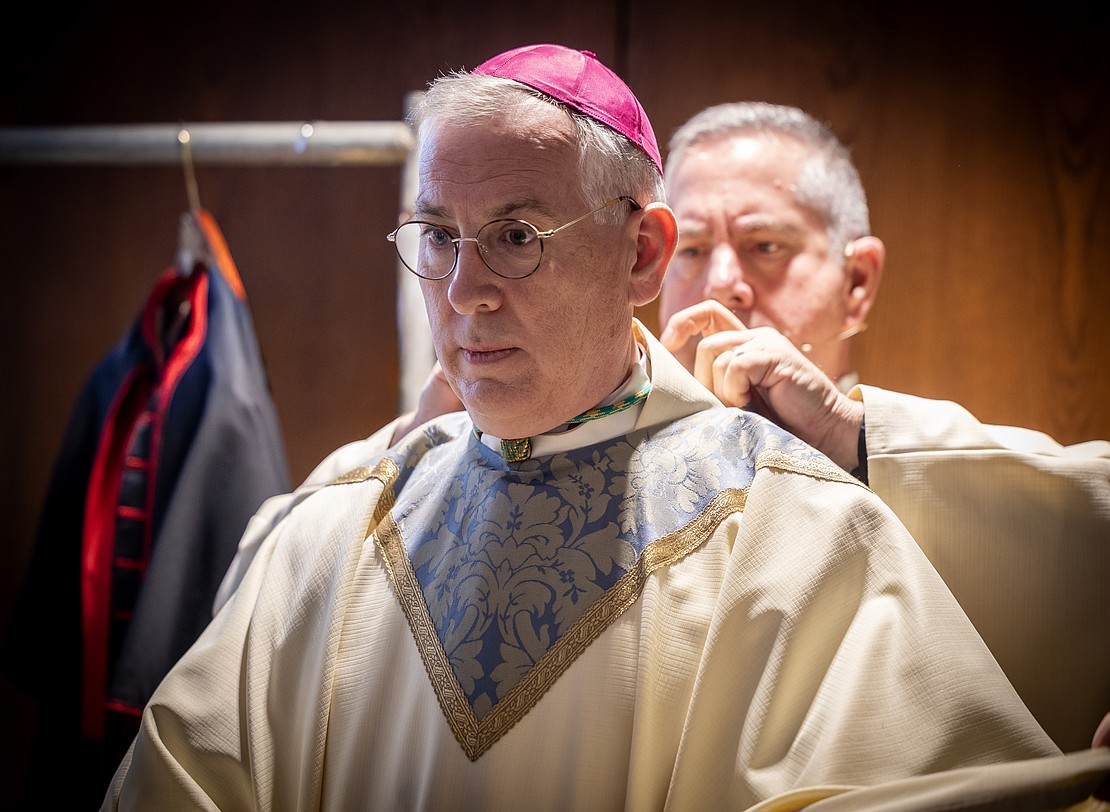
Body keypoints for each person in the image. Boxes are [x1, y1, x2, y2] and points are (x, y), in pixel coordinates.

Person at [107, 44, 1110, 810]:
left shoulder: (794, 526)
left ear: (640, 255)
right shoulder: (340, 524)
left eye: (514, 236)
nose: (464, 293)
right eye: (440, 237)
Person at [654, 101, 1110, 756]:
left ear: (858, 283)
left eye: (765, 248)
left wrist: (848, 434)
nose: (722, 285)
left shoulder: (914, 452)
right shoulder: (599, 478)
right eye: (691, 251)